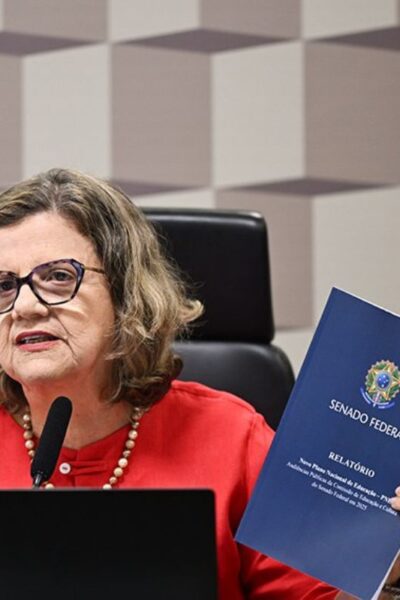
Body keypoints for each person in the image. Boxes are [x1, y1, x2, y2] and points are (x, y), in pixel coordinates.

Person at [0, 168, 398, 600]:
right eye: (3, 285)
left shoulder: (232, 438)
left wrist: (382, 566)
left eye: (58, 276)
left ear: (125, 292)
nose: (24, 307)